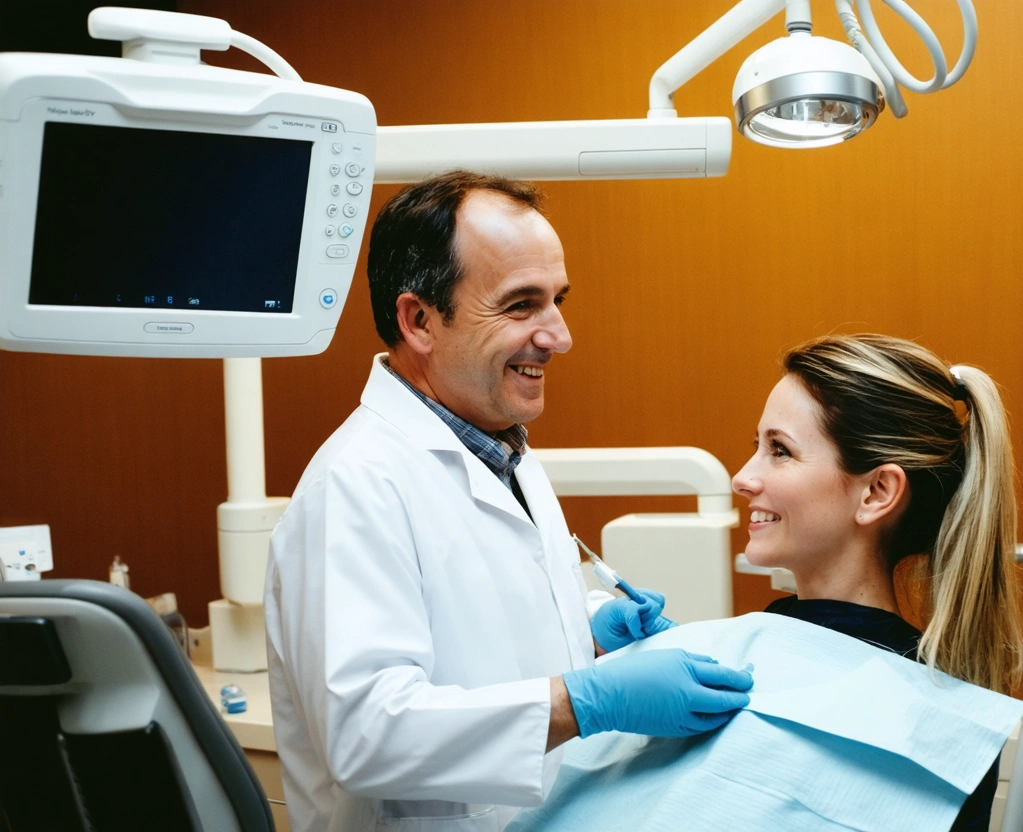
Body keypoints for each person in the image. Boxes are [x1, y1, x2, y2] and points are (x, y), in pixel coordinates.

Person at [263, 171, 752, 832]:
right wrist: (586, 702)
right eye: (522, 305)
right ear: (419, 320)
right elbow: (366, 734)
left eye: (557, 300)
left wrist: (587, 628)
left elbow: (471, 619)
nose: (558, 335)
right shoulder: (354, 488)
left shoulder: (499, 448)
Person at [731, 334, 1023, 831]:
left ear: (877, 492)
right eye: (756, 446)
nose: (742, 477)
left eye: (779, 450)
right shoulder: (763, 650)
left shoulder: (923, 718)